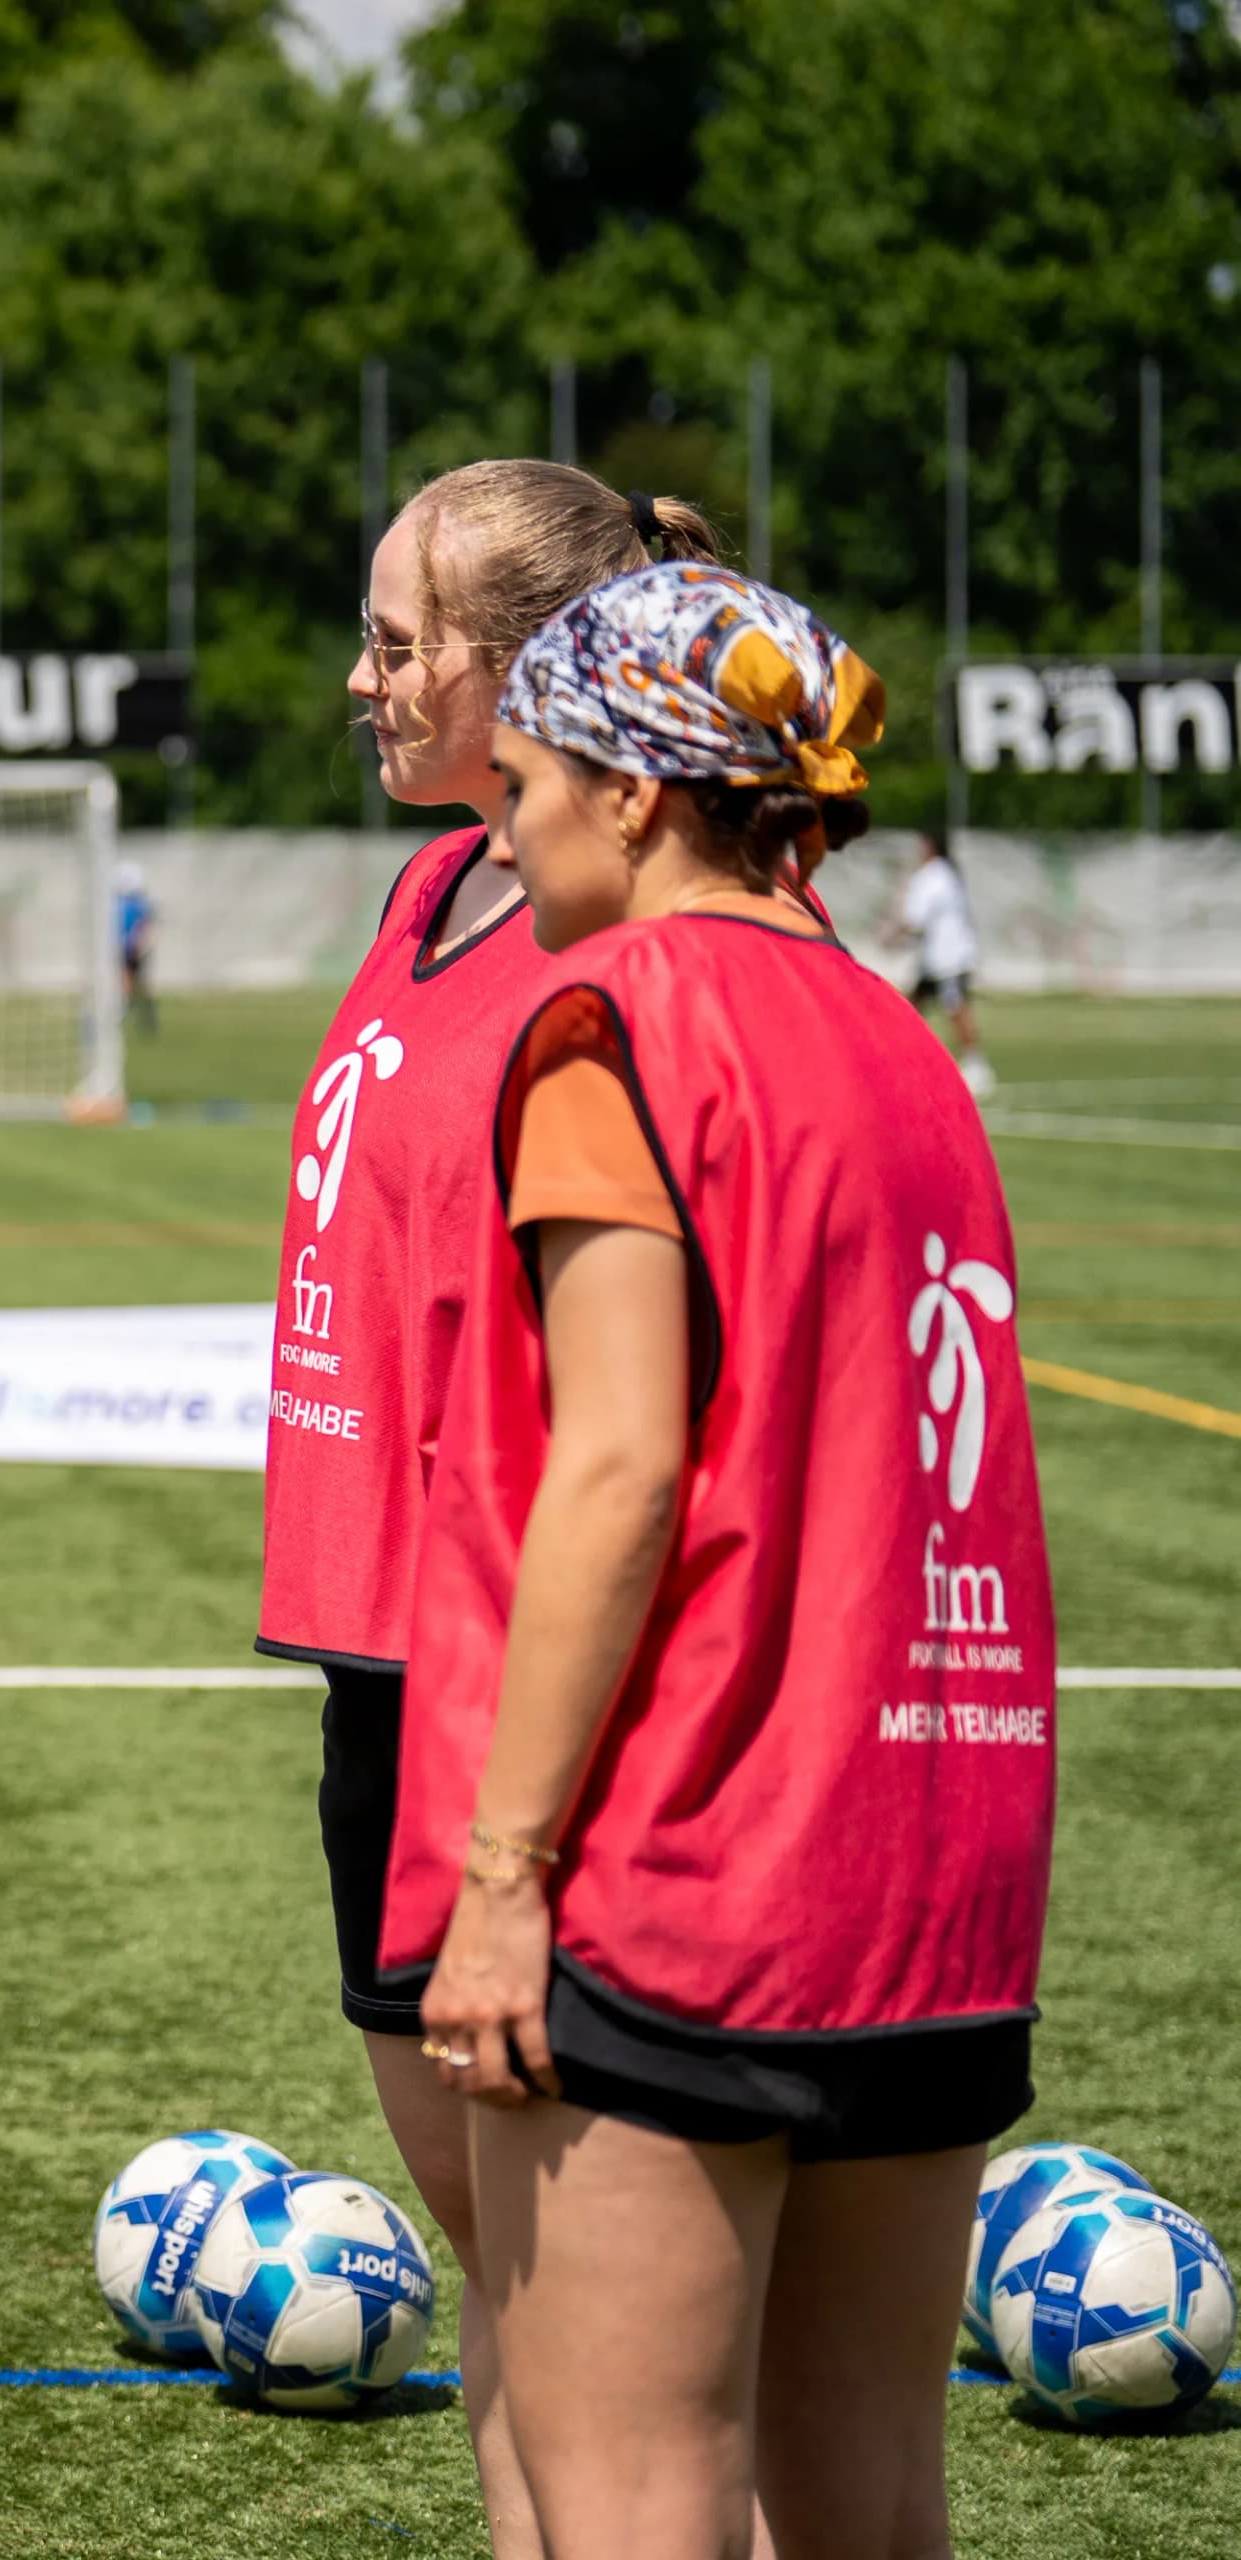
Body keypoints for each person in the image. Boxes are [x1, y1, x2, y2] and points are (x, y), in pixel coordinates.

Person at [399, 564, 1050, 2555]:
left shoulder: (613, 1016)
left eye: (522, 782)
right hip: (938, 1872)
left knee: (636, 2505)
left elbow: (619, 1463)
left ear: (639, 786)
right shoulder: (899, 1040)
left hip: (690, 1869)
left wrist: (502, 1875)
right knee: (871, 2507)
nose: (500, 830)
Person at [263, 462, 721, 2560]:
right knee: (513, 2321)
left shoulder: (615, 933)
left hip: (518, 1662)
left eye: (396, 642)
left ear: (531, 669)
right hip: (378, 1661)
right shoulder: (426, 886)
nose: (361, 678)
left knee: (620, 2364)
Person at [885, 830, 992, 1096]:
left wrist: (892, 939)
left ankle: (976, 1066)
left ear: (930, 847)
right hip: (939, 959)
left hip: (948, 959)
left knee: (955, 1008)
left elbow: (915, 920)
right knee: (912, 1007)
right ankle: (903, 1061)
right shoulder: (948, 874)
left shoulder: (931, 877)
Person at [113, 859, 159, 1035]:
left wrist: (142, 944)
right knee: (132, 981)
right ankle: (141, 1016)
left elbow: (145, 925)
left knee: (134, 981)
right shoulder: (125, 902)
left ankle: (137, 1014)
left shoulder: (136, 903)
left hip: (134, 948)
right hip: (128, 947)